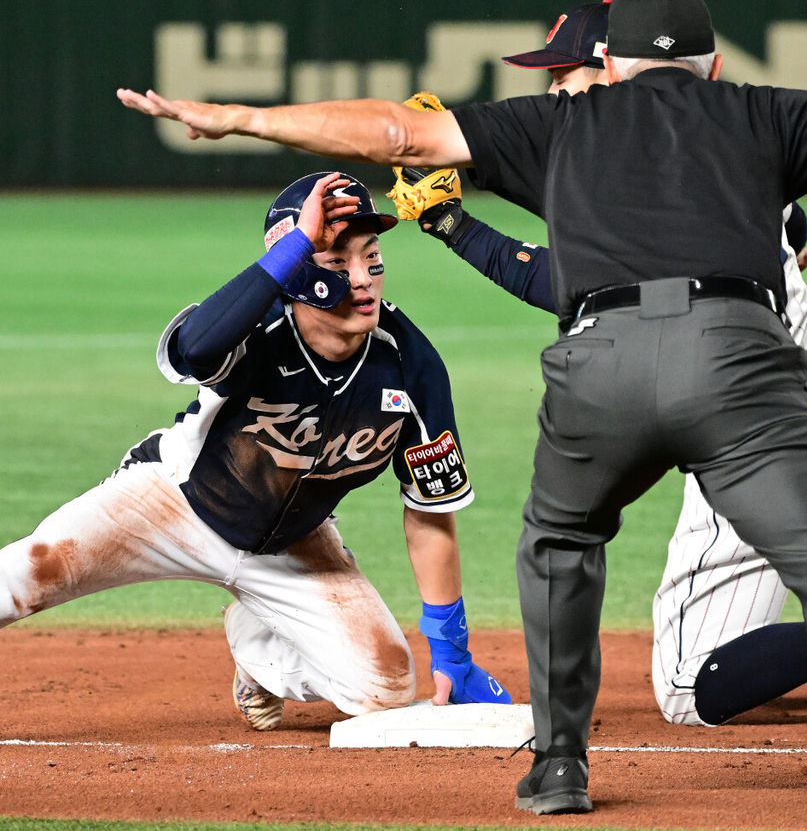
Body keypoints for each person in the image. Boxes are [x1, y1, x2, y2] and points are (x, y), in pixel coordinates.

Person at [116, 0, 807, 829]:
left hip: (603, 365)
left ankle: (559, 763)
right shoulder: (763, 112)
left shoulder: (560, 125)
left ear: (613, 65)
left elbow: (397, 133)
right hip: (739, 365)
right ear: (711, 64)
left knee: (560, 544)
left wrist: (234, 116)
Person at [393, 5, 807, 729]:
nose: (555, 93)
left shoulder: (635, 154)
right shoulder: (686, 144)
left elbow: (559, 282)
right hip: (780, 399)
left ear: (615, 68)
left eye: (564, 75)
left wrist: (452, 227)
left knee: (689, 687)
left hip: (760, 420)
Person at [0, 171, 510, 734]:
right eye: (338, 263)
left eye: (372, 258)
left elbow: (429, 512)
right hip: (171, 503)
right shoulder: (259, 327)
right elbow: (196, 348)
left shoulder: (409, 365)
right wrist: (295, 249)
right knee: (27, 573)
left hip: (294, 545)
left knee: (384, 689)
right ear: (296, 269)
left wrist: (451, 651)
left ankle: (259, 657)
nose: (363, 281)